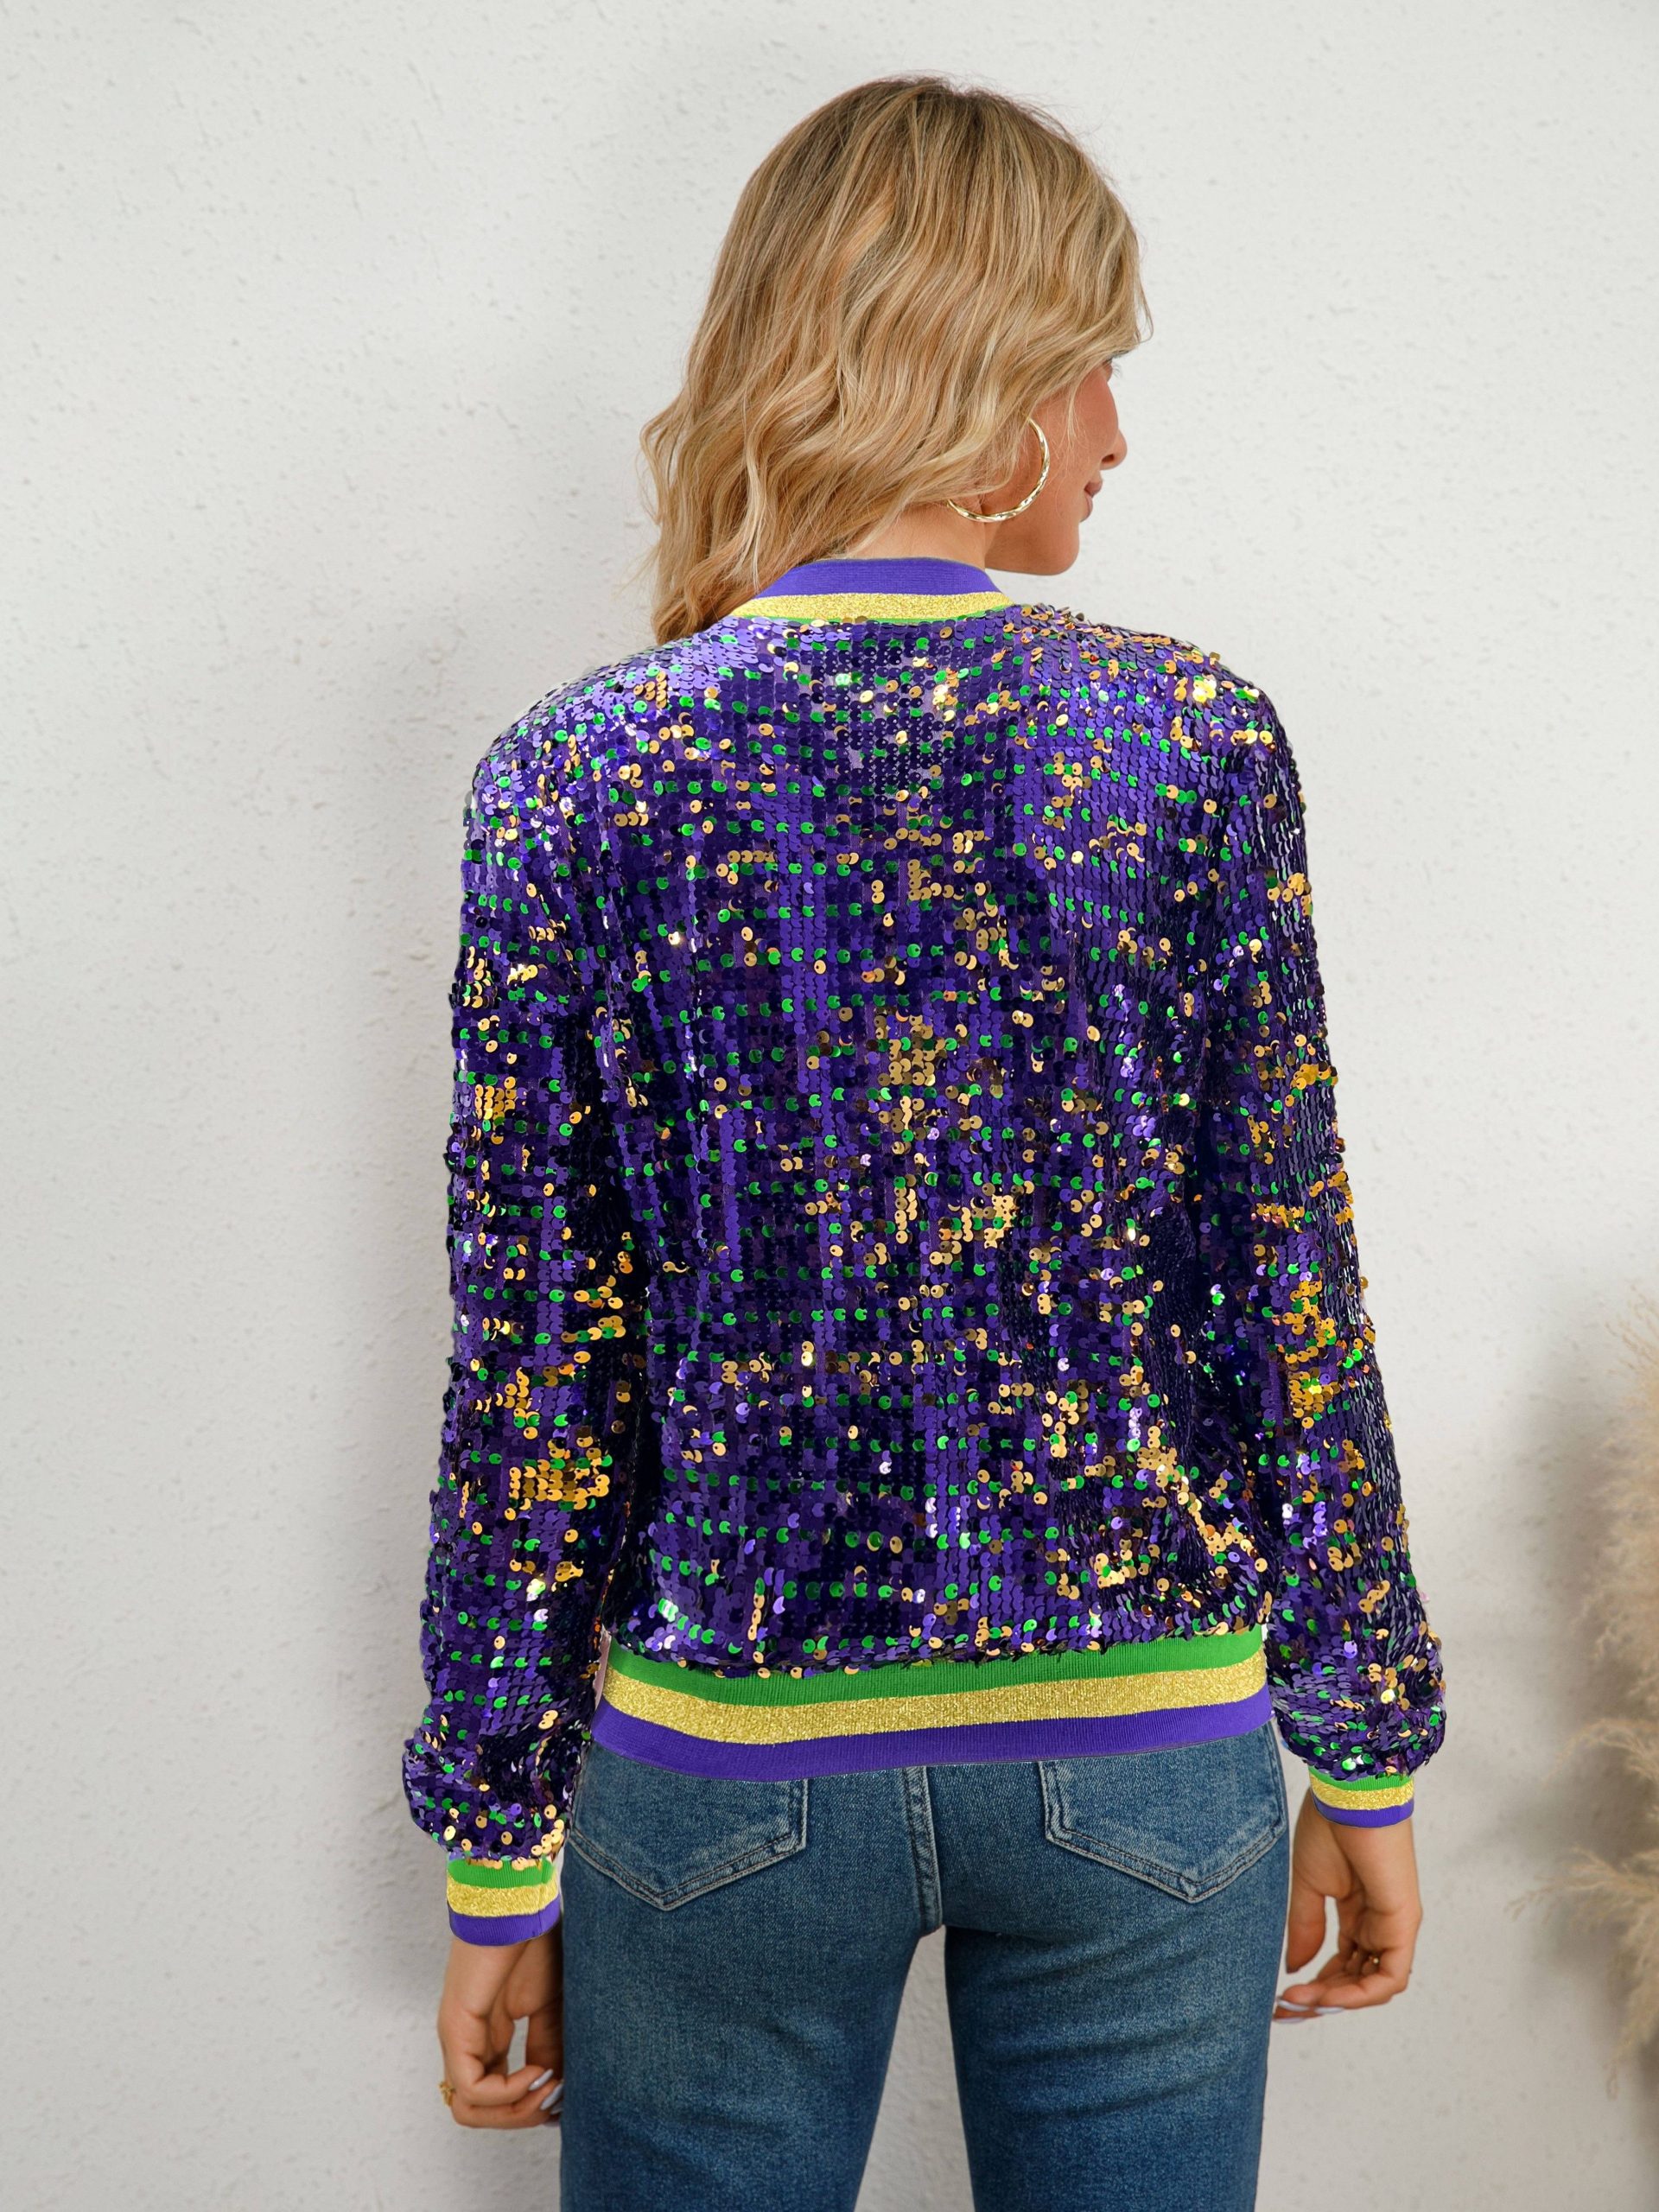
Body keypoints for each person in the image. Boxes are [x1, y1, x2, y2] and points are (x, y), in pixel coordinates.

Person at [402, 72, 1447, 2212]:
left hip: (723, 1772)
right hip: (1143, 1750)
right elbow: (1288, 1283)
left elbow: (535, 1364)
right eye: (1091, 369)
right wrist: (1364, 1739)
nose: (1116, 435)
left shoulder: (576, 774)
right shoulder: (1190, 738)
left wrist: (500, 1842)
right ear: (981, 377)